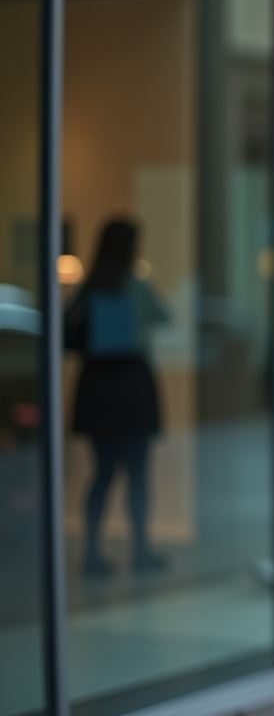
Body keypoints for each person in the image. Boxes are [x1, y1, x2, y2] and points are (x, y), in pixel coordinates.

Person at [66, 219, 171, 576]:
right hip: (129, 384)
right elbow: (164, 316)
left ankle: (92, 550)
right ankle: (141, 547)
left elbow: (66, 327)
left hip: (98, 387)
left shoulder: (89, 286)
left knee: (103, 473)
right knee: (137, 473)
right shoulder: (136, 287)